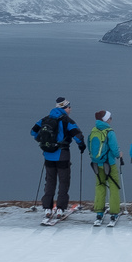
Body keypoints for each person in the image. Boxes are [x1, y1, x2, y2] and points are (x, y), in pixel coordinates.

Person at [30, 96, 86, 224]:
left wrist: (44, 141)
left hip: (48, 155)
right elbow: (78, 136)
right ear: (64, 108)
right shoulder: (67, 121)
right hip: (62, 155)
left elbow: (33, 132)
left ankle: (47, 209)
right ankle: (60, 209)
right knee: (63, 182)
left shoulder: (45, 119)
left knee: (49, 182)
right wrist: (82, 146)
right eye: (69, 107)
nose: (70, 109)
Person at [87, 110, 127, 226]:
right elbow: (114, 149)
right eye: (110, 117)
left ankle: (99, 212)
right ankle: (114, 213)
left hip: (96, 163)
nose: (111, 119)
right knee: (114, 187)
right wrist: (119, 154)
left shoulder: (93, 130)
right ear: (106, 119)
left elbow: (89, 146)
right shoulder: (110, 132)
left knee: (100, 186)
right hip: (109, 164)